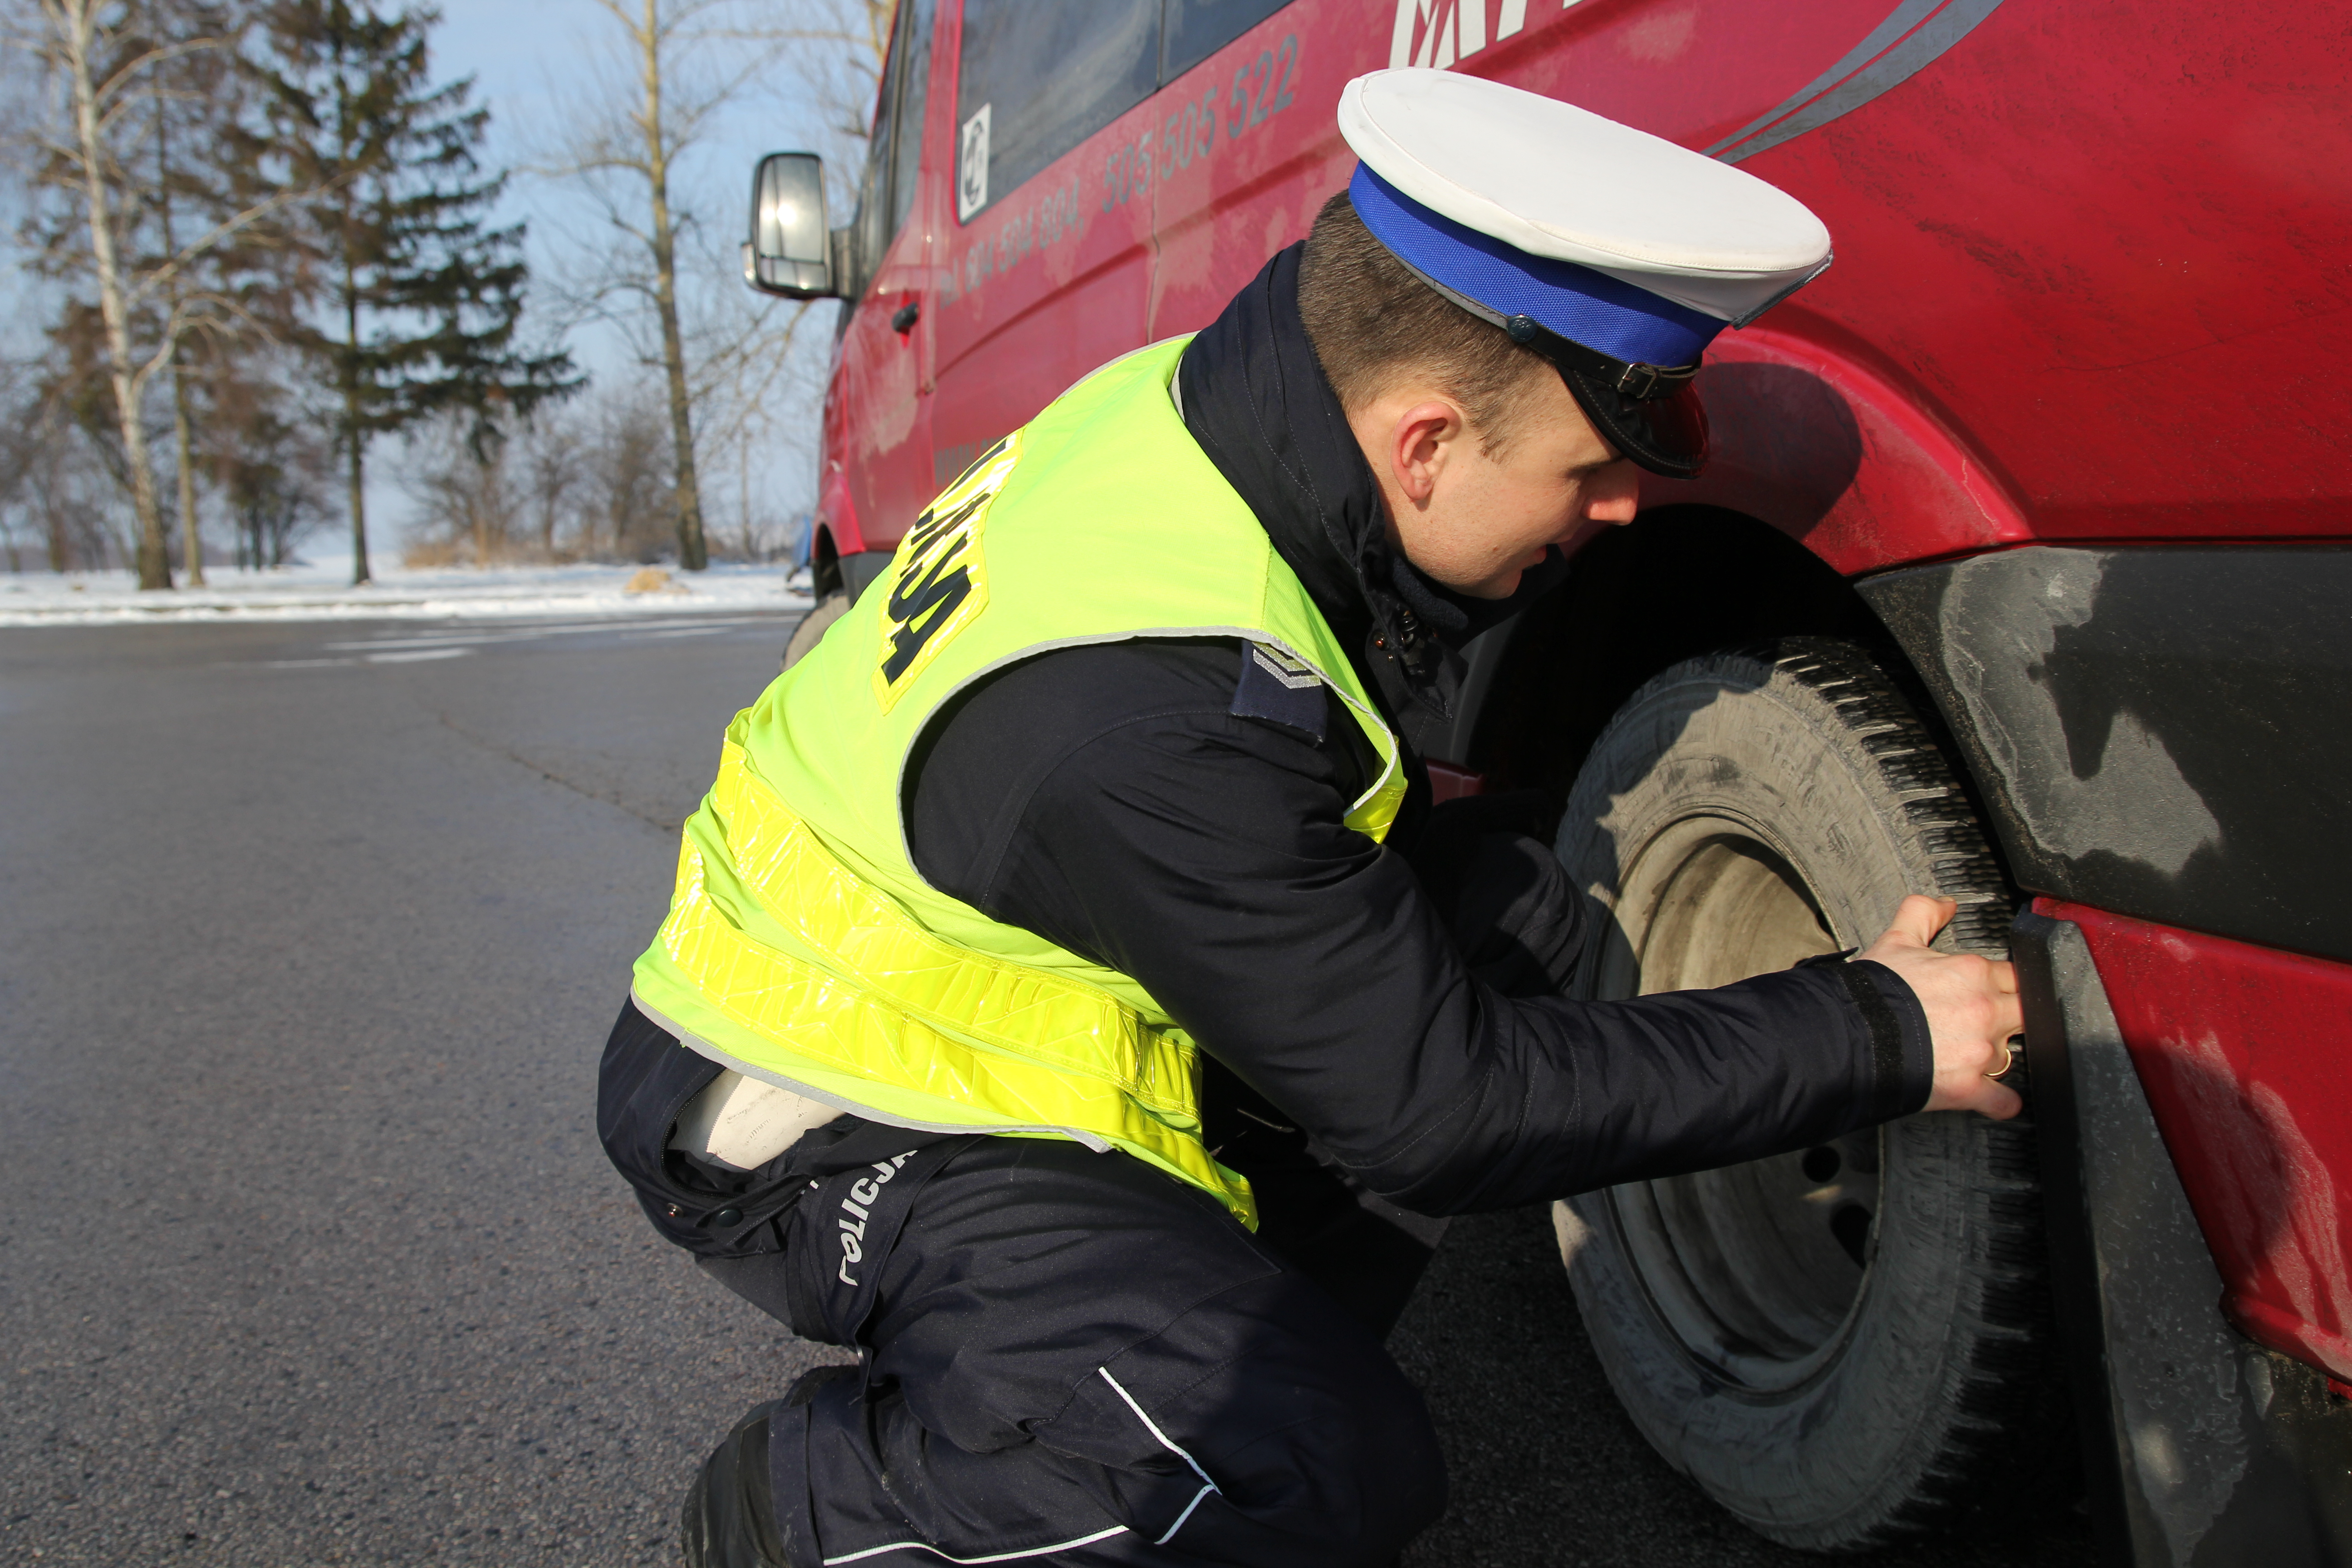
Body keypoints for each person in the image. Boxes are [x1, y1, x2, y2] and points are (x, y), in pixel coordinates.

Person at [597, 69, 2024, 1568]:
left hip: (998, 969)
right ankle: (821, 1502)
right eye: (1587, 471)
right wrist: (1868, 1032)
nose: (1612, 514)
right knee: (1293, 1463)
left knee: (1523, 907)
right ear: (1422, 447)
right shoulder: (1158, 718)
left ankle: (1170, 1327)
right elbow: (1447, 1112)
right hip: (829, 1104)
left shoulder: (1207, 407)